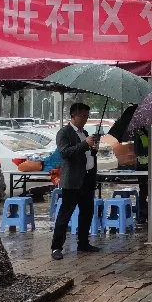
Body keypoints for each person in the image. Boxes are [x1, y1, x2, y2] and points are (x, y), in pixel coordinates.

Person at [51, 103, 100, 260]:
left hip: (87, 178)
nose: (85, 119)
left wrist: (93, 149)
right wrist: (85, 144)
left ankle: (83, 242)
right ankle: (57, 247)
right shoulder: (64, 133)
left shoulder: (84, 133)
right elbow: (65, 153)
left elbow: (86, 154)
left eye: (87, 116)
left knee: (87, 212)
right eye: (83, 116)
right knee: (65, 213)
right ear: (73, 115)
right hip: (72, 180)